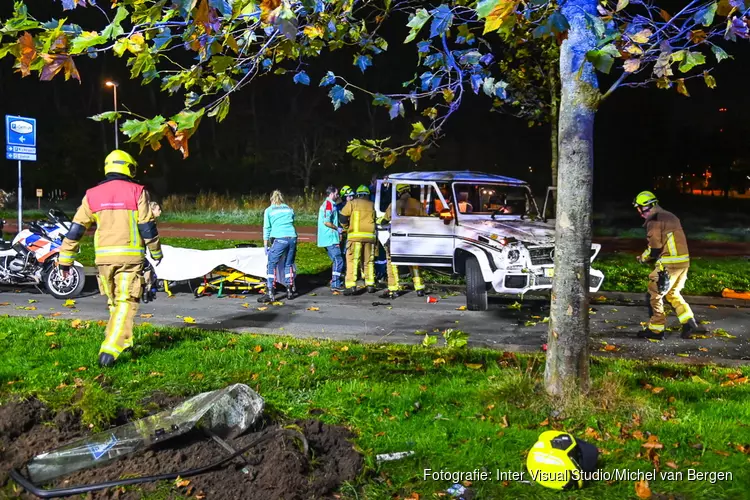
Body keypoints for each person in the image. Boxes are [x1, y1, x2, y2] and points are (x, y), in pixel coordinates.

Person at [58, 150, 163, 367]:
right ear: (129, 168)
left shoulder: (92, 194)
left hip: (103, 260)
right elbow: (146, 226)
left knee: (114, 302)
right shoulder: (137, 191)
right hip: (130, 258)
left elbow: (76, 230)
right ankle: (110, 349)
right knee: (126, 301)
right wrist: (156, 252)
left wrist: (65, 259)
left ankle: (126, 340)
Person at [633, 191, 706, 340]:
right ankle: (689, 322)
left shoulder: (654, 221)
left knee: (653, 295)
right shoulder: (670, 216)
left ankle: (656, 329)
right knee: (673, 294)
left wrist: (642, 258)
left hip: (669, 264)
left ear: (646, 207)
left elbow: (654, 249)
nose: (639, 213)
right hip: (683, 262)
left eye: (639, 209)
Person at [380, 183, 426, 299]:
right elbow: (426, 219)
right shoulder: (417, 204)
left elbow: (384, 221)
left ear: (399, 192)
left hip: (397, 239)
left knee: (391, 262)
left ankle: (394, 289)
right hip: (412, 238)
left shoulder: (394, 204)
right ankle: (419, 288)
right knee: (414, 263)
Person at [259, 190, 298, 303]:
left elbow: (267, 228)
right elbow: (291, 221)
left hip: (280, 238)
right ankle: (290, 289)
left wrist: (266, 244)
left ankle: (270, 292)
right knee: (288, 264)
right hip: (292, 238)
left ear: (271, 199)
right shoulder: (289, 209)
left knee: (271, 264)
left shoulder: (269, 210)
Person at [340, 185, 376, 295]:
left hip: (355, 238)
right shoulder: (372, 205)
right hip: (370, 238)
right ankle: (370, 284)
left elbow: (342, 217)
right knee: (368, 261)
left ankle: (351, 285)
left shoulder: (352, 203)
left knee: (352, 261)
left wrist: (346, 227)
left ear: (358, 194)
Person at [318, 185, 344, 292]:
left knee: (335, 260)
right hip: (330, 237)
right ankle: (335, 283)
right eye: (337, 194)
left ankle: (335, 281)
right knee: (339, 260)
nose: (338, 196)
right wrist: (337, 229)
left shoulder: (330, 204)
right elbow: (327, 221)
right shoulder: (329, 204)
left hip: (328, 237)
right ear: (332, 194)